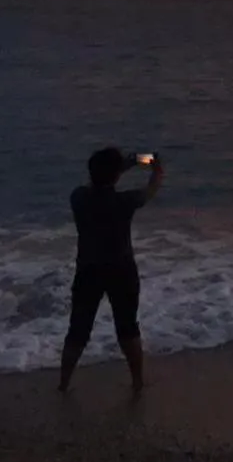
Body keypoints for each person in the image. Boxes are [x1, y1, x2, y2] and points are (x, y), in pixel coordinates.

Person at [58, 147, 164, 394]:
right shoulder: (124, 202)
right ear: (116, 176)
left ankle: (64, 383)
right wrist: (155, 170)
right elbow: (151, 190)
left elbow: (98, 182)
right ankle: (137, 382)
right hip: (122, 270)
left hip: (88, 270)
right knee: (127, 327)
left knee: (78, 330)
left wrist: (122, 166)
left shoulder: (79, 198)